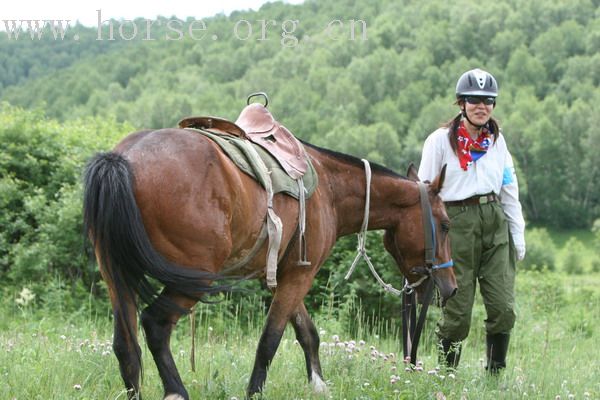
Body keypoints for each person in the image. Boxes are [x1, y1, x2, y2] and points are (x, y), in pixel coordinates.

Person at [418, 68, 526, 374]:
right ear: (461, 103)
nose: (482, 106)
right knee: (457, 311)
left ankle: (495, 376)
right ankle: (446, 376)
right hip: (455, 224)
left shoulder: (497, 142)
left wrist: (518, 236)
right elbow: (425, 192)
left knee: (503, 307)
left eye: (488, 101)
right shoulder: (440, 141)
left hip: (495, 222)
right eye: (475, 100)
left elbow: (509, 190)